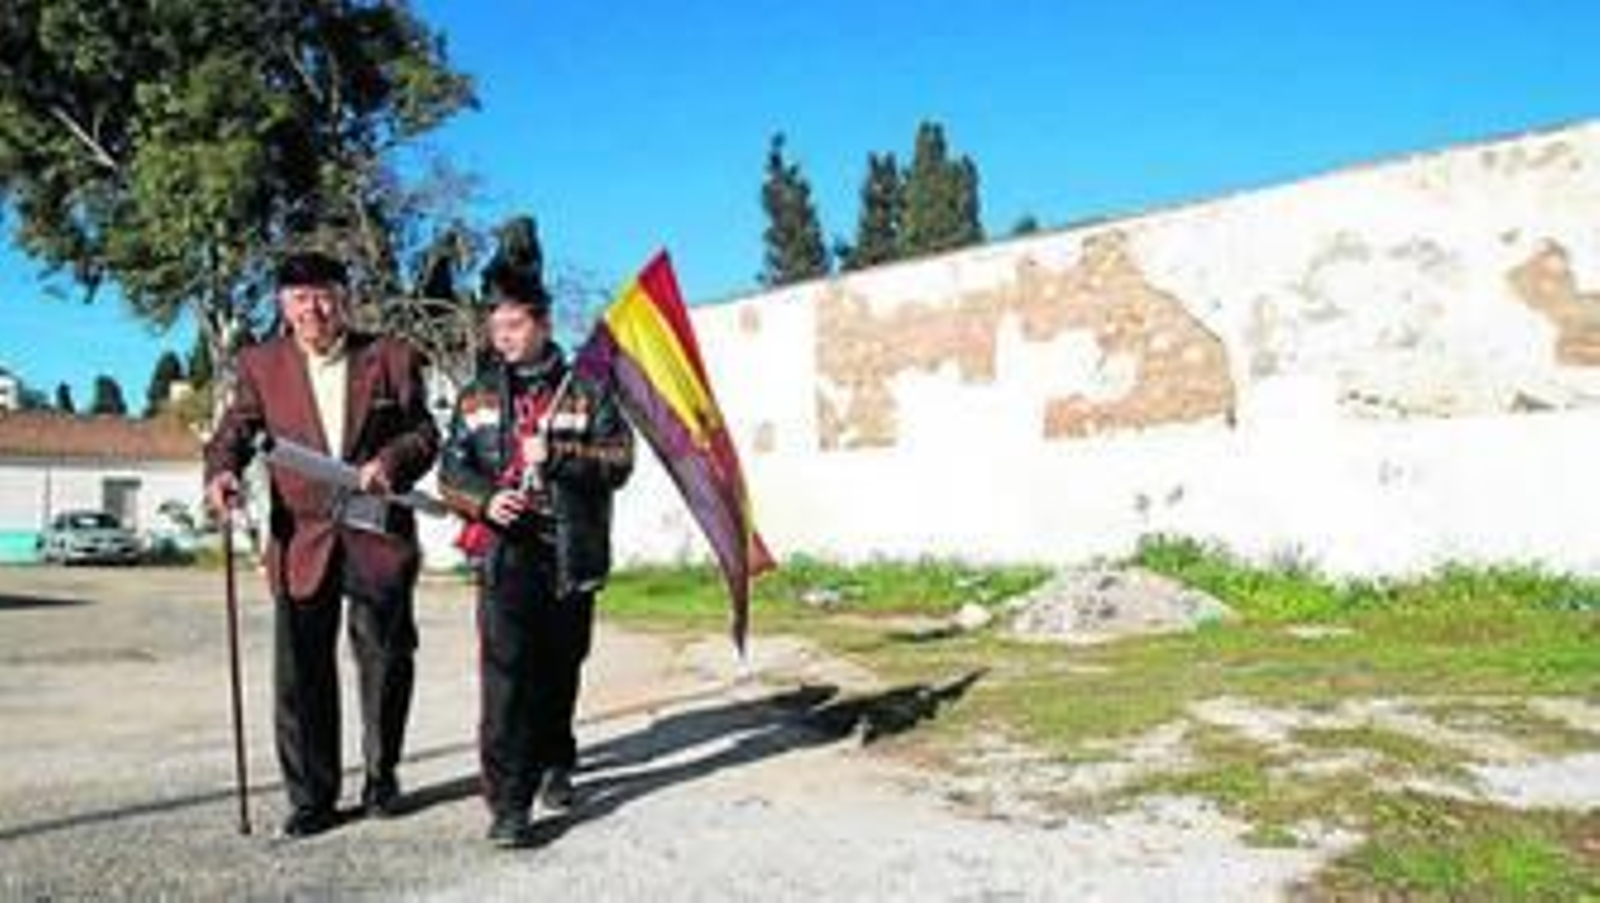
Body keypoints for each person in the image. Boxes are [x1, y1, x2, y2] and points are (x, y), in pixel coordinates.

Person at [204, 251, 440, 838]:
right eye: (299, 298)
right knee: (300, 674)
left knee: (385, 662)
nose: (313, 308)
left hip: (375, 531)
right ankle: (312, 796)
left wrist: (391, 460)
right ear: (284, 306)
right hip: (301, 537)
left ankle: (382, 778)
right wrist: (221, 472)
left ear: (344, 298)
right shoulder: (261, 364)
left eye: (324, 295)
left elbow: (425, 432)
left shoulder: (389, 357)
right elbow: (235, 429)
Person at [439, 261, 634, 847]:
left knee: (559, 666)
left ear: (544, 324)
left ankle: (555, 757)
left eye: (515, 324)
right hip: (507, 554)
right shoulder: (474, 396)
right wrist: (483, 500)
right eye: (496, 325)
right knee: (506, 676)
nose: (504, 336)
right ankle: (508, 804)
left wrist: (561, 457)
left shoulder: (588, 388)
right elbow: (451, 470)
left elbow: (620, 461)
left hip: (570, 551)